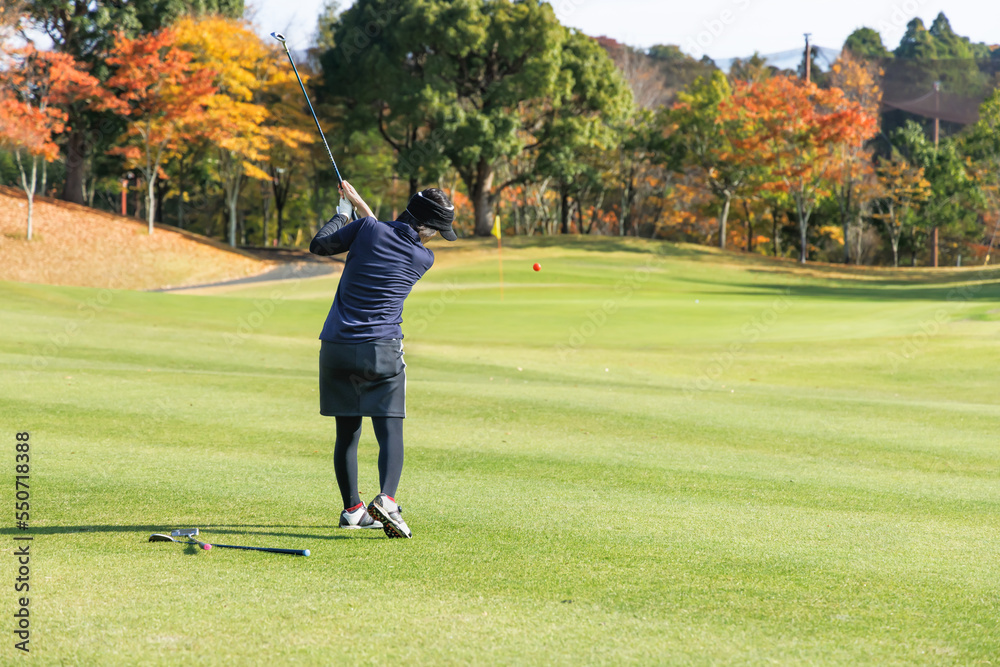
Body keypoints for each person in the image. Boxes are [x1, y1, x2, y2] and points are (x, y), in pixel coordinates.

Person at [309, 180, 457, 539]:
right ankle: (387, 500)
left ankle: (353, 511)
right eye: (436, 229)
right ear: (425, 228)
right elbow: (384, 236)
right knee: (390, 428)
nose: (436, 237)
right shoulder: (424, 257)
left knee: (347, 432)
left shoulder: (366, 229)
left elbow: (322, 245)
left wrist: (345, 213)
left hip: (337, 348)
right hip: (382, 351)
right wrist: (360, 207)